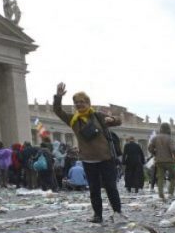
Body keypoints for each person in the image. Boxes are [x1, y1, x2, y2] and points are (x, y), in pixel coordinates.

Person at [52, 83, 124, 223]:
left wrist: (113, 119)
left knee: (110, 187)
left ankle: (117, 212)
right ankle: (98, 215)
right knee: (94, 189)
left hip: (106, 158)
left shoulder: (98, 116)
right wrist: (58, 97)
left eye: (82, 102)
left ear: (88, 103)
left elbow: (119, 121)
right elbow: (58, 110)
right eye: (76, 103)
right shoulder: (73, 120)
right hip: (88, 159)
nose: (79, 104)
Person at [148, 123, 175, 200]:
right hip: (169, 161)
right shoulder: (169, 138)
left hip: (159, 161)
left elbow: (149, 148)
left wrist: (155, 153)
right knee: (174, 176)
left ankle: (161, 195)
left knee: (160, 177)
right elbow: (173, 150)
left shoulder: (155, 138)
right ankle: (170, 193)